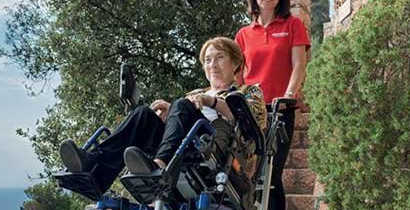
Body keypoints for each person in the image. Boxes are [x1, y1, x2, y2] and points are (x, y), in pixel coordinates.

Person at [59, 37, 266, 194]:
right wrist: (170, 112)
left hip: (218, 149)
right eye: (208, 60)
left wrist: (209, 101)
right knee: (143, 114)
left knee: (183, 105)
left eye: (220, 58)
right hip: (184, 145)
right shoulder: (193, 94)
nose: (213, 65)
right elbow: (179, 120)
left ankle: (159, 165)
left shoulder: (249, 92)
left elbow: (251, 123)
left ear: (235, 64)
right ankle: (93, 170)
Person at [235, 0, 310, 210]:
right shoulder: (243, 34)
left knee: (273, 174)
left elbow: (299, 65)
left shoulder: (292, 25)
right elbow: (239, 76)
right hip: (252, 113)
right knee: (250, 175)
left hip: (279, 110)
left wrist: (290, 96)